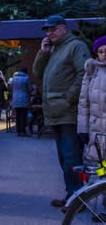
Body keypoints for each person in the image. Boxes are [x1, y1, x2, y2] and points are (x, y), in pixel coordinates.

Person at [33, 15, 90, 208]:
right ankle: (72, 195)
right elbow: (37, 72)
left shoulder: (76, 46)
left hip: (68, 112)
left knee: (71, 157)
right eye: (47, 30)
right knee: (64, 157)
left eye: (53, 29)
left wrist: (68, 99)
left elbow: (84, 73)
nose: (49, 33)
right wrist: (43, 53)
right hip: (55, 111)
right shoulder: (54, 48)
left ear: (64, 29)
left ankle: (78, 198)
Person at [78, 36, 106, 165]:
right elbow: (84, 103)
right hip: (97, 130)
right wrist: (83, 129)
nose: (104, 54)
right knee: (100, 167)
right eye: (101, 51)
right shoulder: (91, 71)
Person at [10, 68, 34, 137]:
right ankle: (23, 131)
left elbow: (11, 89)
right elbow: (30, 89)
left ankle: (18, 130)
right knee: (23, 115)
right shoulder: (26, 78)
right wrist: (32, 89)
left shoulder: (14, 79)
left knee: (18, 115)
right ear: (26, 72)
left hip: (15, 99)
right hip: (24, 99)